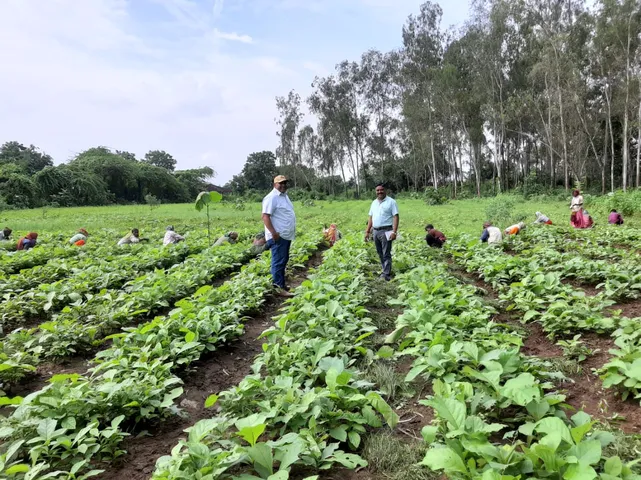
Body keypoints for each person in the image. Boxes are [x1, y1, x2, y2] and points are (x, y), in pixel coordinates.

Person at [262, 175, 297, 296]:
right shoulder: (271, 198)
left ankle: (281, 285)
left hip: (285, 235)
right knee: (278, 261)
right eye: (280, 183)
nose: (283, 185)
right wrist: (273, 233)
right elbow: (265, 217)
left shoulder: (284, 196)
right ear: (274, 184)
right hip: (278, 236)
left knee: (283, 260)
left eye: (285, 183)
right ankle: (278, 288)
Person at [365, 184, 399, 281]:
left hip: (387, 230)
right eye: (377, 190)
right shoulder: (374, 203)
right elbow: (371, 217)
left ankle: (386, 274)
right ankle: (384, 269)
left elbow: (396, 216)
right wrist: (367, 231)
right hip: (375, 231)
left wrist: (394, 232)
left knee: (386, 253)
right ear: (376, 191)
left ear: (385, 191)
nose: (379, 192)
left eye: (381, 190)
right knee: (380, 252)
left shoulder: (391, 202)